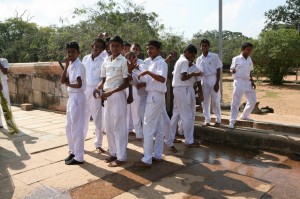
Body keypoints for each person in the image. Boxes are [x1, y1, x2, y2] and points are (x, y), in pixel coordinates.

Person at [93, 36, 129, 167]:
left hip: (118, 96)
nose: (114, 48)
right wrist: (98, 88)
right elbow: (104, 80)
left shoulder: (123, 61)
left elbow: (126, 83)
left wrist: (111, 92)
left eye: (117, 46)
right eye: (112, 46)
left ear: (121, 47)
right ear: (109, 47)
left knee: (119, 127)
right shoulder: (106, 61)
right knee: (108, 126)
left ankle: (121, 156)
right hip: (107, 97)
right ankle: (113, 153)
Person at [134, 40, 168, 168]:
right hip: (155, 95)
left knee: (147, 127)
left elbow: (162, 79)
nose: (149, 51)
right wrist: (144, 82)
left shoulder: (161, 62)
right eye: (147, 49)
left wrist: (148, 72)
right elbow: (153, 80)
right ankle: (158, 154)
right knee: (158, 127)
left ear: (159, 49)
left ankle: (147, 158)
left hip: (155, 96)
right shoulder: (151, 63)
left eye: (152, 48)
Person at [168, 44, 203, 151]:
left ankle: (170, 138)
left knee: (176, 114)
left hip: (179, 89)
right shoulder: (183, 61)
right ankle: (189, 141)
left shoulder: (180, 61)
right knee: (187, 115)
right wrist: (193, 73)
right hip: (183, 89)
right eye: (192, 56)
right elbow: (183, 77)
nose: (192, 58)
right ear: (187, 52)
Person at [61, 41, 86, 165]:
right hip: (71, 97)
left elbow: (79, 84)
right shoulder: (70, 64)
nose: (70, 54)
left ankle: (79, 156)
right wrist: (66, 65)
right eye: (68, 52)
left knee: (77, 127)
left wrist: (68, 84)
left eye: (73, 52)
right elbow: (62, 79)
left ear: (78, 53)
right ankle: (73, 151)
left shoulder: (79, 65)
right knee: (68, 126)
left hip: (78, 97)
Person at [82, 38, 106, 154]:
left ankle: (98, 144)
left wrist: (98, 89)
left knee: (97, 119)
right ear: (92, 46)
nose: (98, 49)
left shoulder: (103, 60)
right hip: (85, 90)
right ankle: (80, 142)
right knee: (83, 118)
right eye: (96, 47)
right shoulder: (85, 58)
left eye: (100, 48)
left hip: (96, 91)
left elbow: (104, 79)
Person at [228, 42, 256, 129]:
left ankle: (244, 115)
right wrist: (233, 71)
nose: (249, 51)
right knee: (236, 102)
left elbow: (250, 71)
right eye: (248, 50)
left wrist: (252, 81)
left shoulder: (249, 59)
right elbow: (231, 69)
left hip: (248, 82)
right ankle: (232, 121)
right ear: (243, 49)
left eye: (250, 50)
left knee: (252, 100)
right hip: (239, 81)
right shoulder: (236, 59)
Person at [196, 39, 222, 127]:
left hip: (213, 78)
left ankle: (218, 120)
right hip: (204, 79)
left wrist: (217, 83)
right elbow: (198, 72)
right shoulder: (199, 59)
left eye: (206, 46)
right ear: (200, 47)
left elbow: (218, 69)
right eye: (202, 46)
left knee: (216, 101)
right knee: (205, 101)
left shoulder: (214, 56)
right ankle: (207, 120)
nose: (204, 47)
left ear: (209, 46)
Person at [125, 51, 147, 141]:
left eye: (133, 57)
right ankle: (125, 131)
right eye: (129, 58)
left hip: (135, 91)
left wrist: (141, 83)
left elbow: (145, 80)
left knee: (136, 112)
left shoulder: (139, 68)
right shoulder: (124, 68)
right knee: (125, 113)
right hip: (125, 90)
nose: (131, 59)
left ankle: (139, 134)